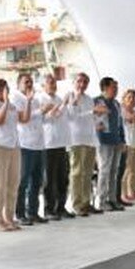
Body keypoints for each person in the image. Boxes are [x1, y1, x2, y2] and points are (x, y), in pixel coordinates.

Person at [66, 72, 106, 216]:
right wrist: (92, 112)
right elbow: (72, 117)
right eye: (79, 81)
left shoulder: (89, 99)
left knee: (88, 173)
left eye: (85, 82)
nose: (82, 84)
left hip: (89, 139)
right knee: (77, 172)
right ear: (74, 82)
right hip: (76, 139)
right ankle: (77, 204)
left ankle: (86, 202)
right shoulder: (70, 96)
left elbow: (90, 118)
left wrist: (98, 118)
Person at [0, 79, 22, 230]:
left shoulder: (12, 106)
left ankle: (9, 217)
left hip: (13, 146)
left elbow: (23, 119)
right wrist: (6, 103)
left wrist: (27, 101)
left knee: (13, 184)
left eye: (6, 89)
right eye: (2, 90)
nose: (5, 93)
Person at [15, 74, 47, 224]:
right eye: (26, 82)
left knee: (37, 181)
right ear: (18, 84)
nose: (29, 84)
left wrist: (45, 112)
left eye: (31, 82)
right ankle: (20, 214)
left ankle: (33, 212)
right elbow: (23, 118)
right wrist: (39, 111)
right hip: (25, 145)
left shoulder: (35, 99)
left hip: (39, 144)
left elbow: (40, 120)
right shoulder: (17, 99)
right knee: (23, 181)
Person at [42, 75, 75, 220]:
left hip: (62, 143)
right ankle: (49, 209)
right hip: (49, 144)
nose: (52, 85)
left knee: (63, 178)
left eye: (54, 83)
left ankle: (61, 207)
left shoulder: (58, 98)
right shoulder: (41, 99)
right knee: (50, 180)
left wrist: (69, 104)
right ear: (43, 85)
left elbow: (68, 117)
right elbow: (49, 117)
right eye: (49, 83)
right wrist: (62, 103)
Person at [95, 77, 125, 211]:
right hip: (103, 140)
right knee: (104, 170)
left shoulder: (117, 104)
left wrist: (122, 140)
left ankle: (112, 199)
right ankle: (101, 201)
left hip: (116, 141)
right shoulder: (97, 101)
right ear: (105, 88)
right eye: (113, 87)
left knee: (114, 171)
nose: (116, 90)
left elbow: (120, 123)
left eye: (117, 87)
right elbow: (92, 120)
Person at [120, 89, 135, 203]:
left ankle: (132, 192)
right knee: (127, 169)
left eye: (133, 97)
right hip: (127, 142)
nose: (132, 99)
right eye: (129, 97)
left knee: (134, 170)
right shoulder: (122, 110)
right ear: (124, 99)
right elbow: (132, 120)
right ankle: (123, 194)